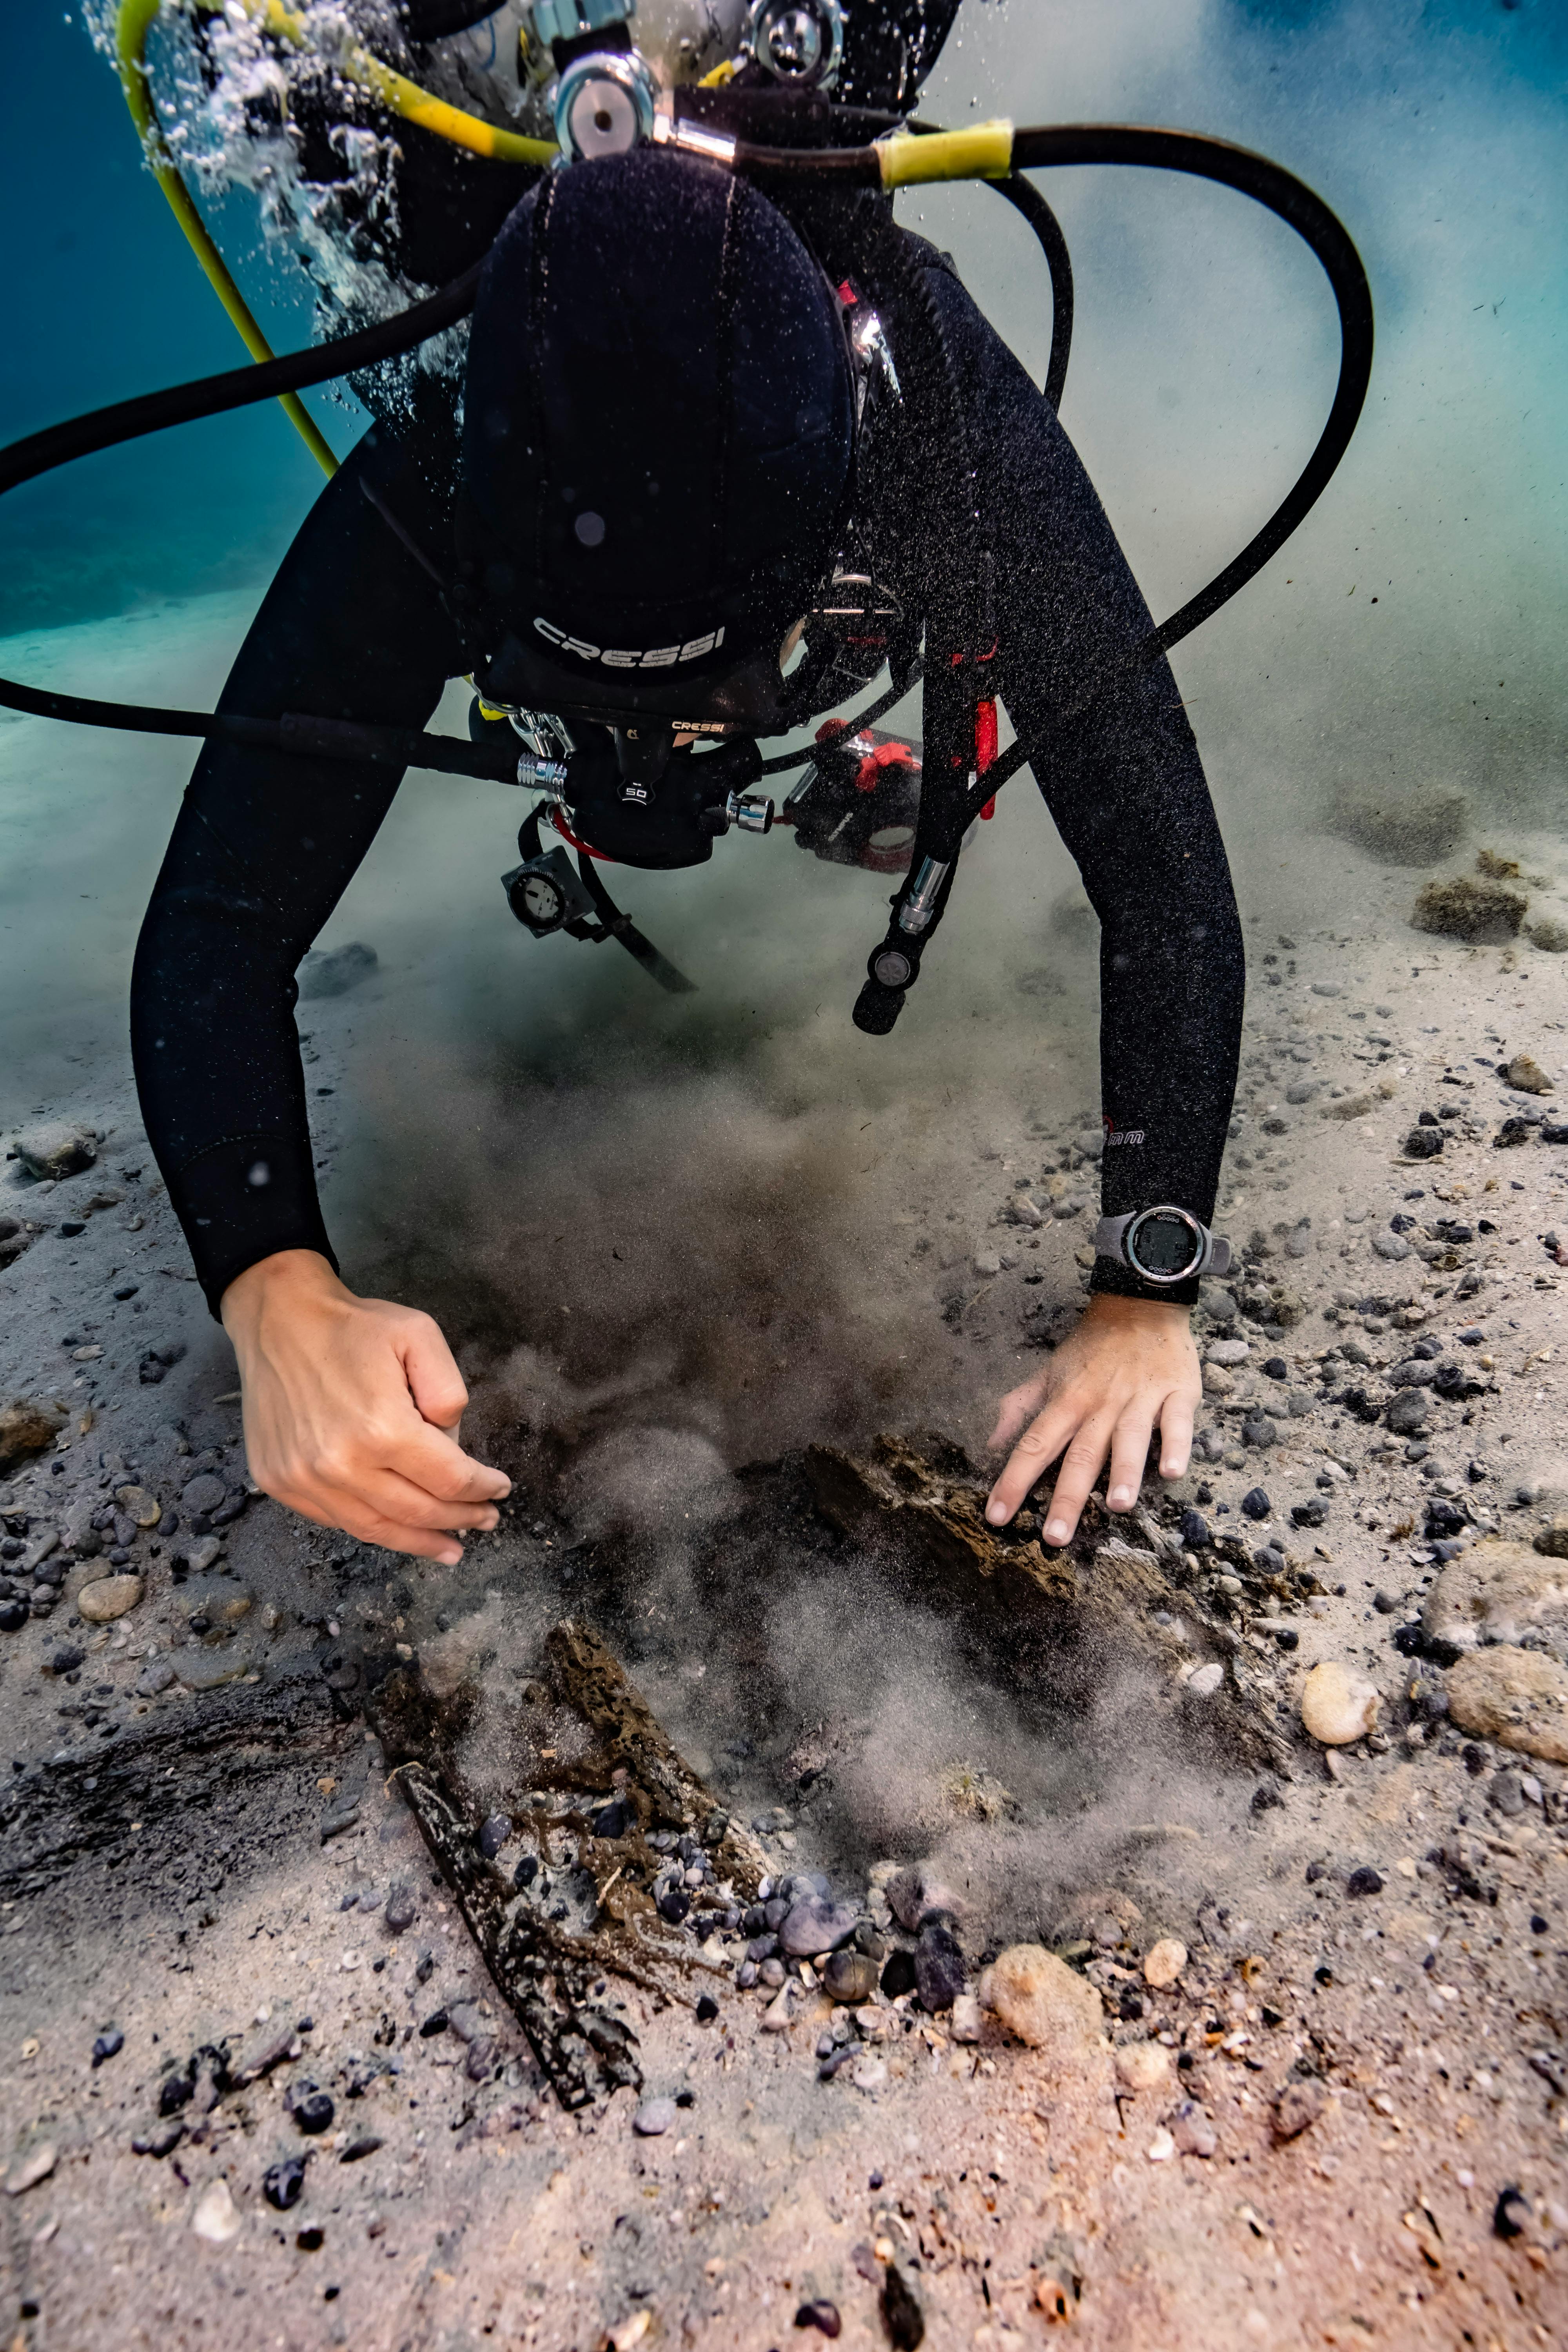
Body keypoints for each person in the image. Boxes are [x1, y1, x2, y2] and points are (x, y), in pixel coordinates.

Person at [129, 0, 1240, 1569]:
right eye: (559, 676)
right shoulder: (436, 465)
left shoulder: (939, 422)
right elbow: (218, 926)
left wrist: (1147, 1290)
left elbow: (1157, 861)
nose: (670, 731)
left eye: (719, 684)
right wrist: (273, 1289)